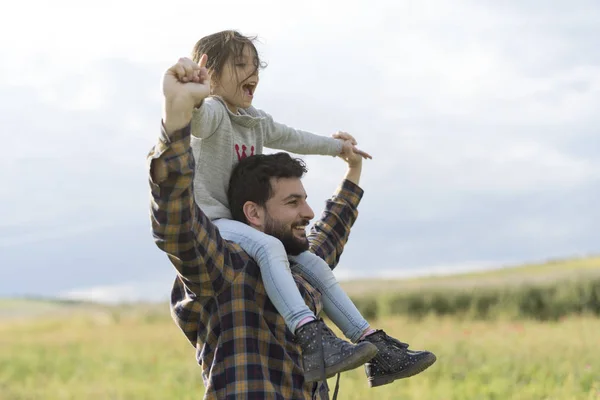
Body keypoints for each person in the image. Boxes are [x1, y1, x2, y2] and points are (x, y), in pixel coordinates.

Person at [148, 48, 435, 399]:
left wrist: (349, 164)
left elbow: (328, 232)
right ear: (253, 213)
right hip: (221, 229)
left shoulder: (293, 263)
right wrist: (178, 114)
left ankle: (373, 344)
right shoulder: (222, 268)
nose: (309, 212)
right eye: (293, 202)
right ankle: (311, 333)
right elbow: (176, 224)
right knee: (271, 248)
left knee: (307, 259)